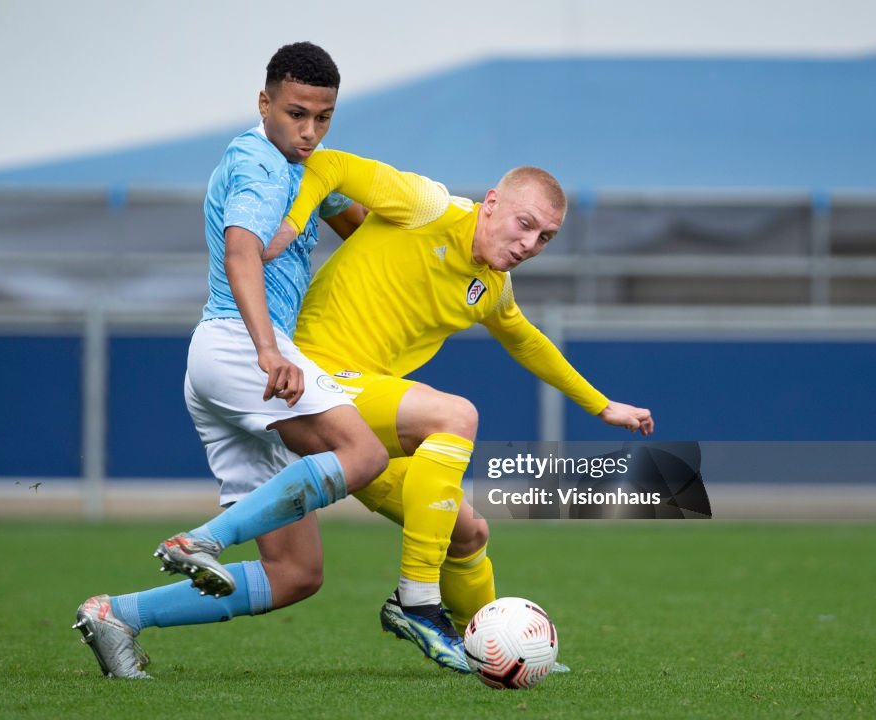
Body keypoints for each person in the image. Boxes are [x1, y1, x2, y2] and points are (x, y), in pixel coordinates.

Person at [261, 148, 654, 670]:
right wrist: (292, 223)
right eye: (525, 224)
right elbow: (328, 164)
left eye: (545, 238)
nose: (530, 244)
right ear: (491, 202)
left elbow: (528, 342)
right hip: (314, 382)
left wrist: (601, 406)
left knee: (469, 533)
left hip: (362, 404)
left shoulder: (490, 286)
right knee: (455, 415)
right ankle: (416, 603)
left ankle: (497, 646)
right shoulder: (426, 206)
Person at [72, 42, 388, 679]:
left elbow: (365, 230)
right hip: (244, 347)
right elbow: (242, 251)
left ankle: (116, 614)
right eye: (296, 113)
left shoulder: (308, 168)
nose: (308, 131)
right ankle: (206, 539)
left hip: (227, 360)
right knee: (366, 453)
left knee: (295, 574)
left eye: (323, 117)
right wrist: (269, 348)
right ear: (264, 102)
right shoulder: (257, 161)